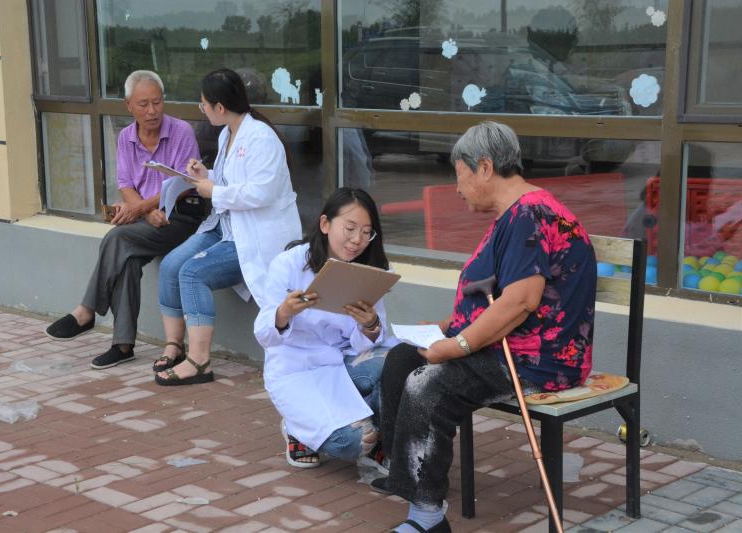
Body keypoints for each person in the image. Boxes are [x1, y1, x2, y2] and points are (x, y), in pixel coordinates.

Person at [373, 121, 597, 533]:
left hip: (536, 359)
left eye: (460, 176)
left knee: (429, 383)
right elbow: (493, 294)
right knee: (402, 358)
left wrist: (457, 344)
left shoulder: (529, 214)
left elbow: (521, 301)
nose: (458, 189)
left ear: (485, 167)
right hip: (506, 345)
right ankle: (408, 475)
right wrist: (446, 326)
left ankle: (427, 517)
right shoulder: (516, 214)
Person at [45, 70, 203, 370]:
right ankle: (122, 345)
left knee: (117, 238)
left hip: (180, 217)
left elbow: (185, 182)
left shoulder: (181, 131)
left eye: (157, 102)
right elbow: (125, 184)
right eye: (143, 104)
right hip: (147, 218)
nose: (152, 111)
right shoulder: (125, 137)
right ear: (129, 105)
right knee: (127, 260)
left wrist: (143, 207)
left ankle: (87, 311)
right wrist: (144, 211)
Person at [154, 68, 301, 385]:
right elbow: (229, 181)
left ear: (220, 107)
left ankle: (199, 361)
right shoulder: (227, 134)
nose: (202, 109)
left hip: (253, 235)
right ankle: (174, 346)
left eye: (204, 104)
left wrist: (213, 192)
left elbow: (261, 193)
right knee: (171, 266)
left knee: (192, 273)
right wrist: (204, 176)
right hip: (226, 226)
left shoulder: (261, 138)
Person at [253, 188, 394, 468]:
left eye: (367, 232)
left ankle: (376, 431)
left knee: (396, 364)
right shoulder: (289, 264)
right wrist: (284, 313)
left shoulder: (368, 269)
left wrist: (370, 324)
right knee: (353, 442)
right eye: (350, 228)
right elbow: (263, 334)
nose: (357, 240)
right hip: (297, 369)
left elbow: (376, 336)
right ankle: (297, 428)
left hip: (343, 362)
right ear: (325, 224)